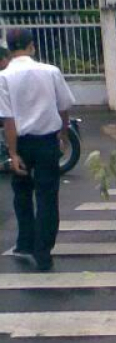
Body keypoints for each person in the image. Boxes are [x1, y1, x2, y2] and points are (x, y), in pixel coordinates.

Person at [0, 27, 75, 271]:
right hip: (46, 142)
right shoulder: (50, 71)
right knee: (47, 197)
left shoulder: (4, 77)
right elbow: (64, 107)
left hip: (20, 142)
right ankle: (44, 253)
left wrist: (12, 153)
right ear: (32, 45)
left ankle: (24, 243)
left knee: (22, 195)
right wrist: (63, 134)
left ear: (9, 48)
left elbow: (8, 120)